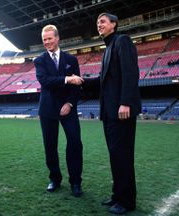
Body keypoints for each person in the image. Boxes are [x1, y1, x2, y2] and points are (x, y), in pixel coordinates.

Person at [69, 13, 141, 214]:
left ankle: (127, 201)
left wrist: (125, 102)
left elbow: (130, 73)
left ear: (114, 24)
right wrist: (81, 80)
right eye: (97, 22)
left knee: (123, 157)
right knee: (115, 156)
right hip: (109, 113)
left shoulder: (122, 41)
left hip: (121, 111)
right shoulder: (108, 48)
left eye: (102, 21)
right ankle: (118, 195)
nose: (99, 25)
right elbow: (103, 80)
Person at [34, 24, 84, 197]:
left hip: (67, 108)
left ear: (57, 38)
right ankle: (55, 178)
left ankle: (76, 182)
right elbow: (45, 81)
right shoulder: (39, 60)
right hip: (47, 109)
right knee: (50, 146)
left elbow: (77, 85)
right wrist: (67, 79)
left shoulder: (71, 59)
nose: (47, 42)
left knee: (75, 143)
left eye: (49, 38)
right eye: (44, 40)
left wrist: (69, 104)